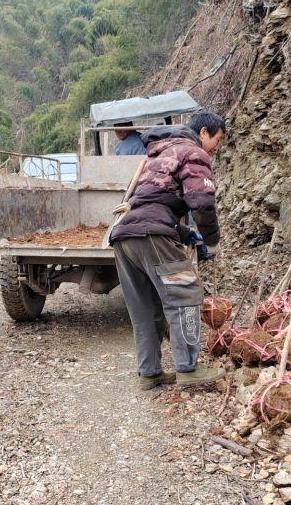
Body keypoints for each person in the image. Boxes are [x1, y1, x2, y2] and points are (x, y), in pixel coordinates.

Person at [109, 111, 227, 390]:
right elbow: (202, 202)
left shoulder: (155, 155)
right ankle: (188, 369)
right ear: (203, 134)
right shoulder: (193, 153)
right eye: (218, 140)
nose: (217, 147)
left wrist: (188, 235)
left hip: (124, 236)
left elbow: (152, 205)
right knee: (184, 294)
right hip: (152, 234)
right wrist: (211, 240)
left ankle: (149, 373)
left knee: (144, 307)